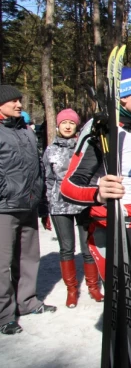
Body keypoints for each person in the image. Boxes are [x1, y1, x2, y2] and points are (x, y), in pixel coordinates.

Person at [61, 68, 131, 278]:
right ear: (123, 97)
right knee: (121, 305)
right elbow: (69, 186)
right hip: (112, 227)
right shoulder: (101, 128)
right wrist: (97, 194)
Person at [0, 85, 56, 335]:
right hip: (4, 207)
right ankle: (4, 315)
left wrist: (42, 203)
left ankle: (27, 302)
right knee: (2, 263)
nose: (19, 105)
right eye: (13, 101)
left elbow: (39, 168)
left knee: (29, 257)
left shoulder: (26, 131)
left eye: (19, 101)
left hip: (29, 204)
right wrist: (6, 191)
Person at [42, 109, 103, 308]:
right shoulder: (50, 150)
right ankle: (71, 290)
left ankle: (93, 286)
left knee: (88, 248)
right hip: (59, 205)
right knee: (67, 249)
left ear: (77, 126)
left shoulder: (85, 147)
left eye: (72, 123)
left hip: (83, 202)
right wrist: (47, 208)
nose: (67, 126)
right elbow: (48, 180)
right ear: (58, 126)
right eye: (63, 123)